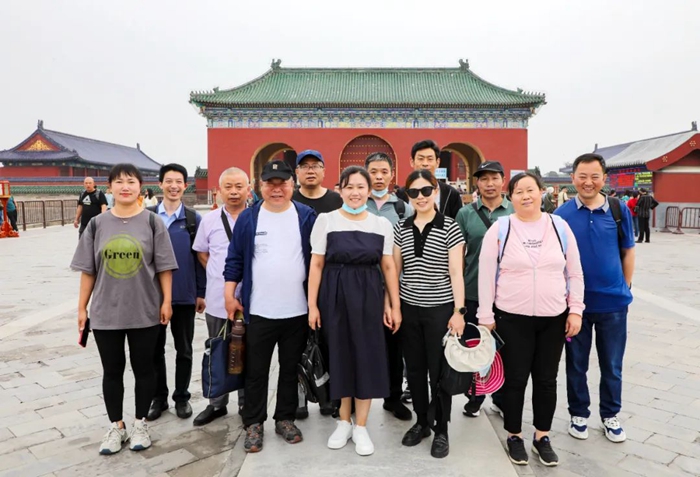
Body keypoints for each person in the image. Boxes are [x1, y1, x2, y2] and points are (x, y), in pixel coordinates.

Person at [70, 163, 178, 455]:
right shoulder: (97, 225)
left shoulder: (152, 222)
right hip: (106, 312)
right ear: (110, 188)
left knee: (144, 369)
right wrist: (82, 308)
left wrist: (166, 301)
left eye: (131, 181)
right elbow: (88, 270)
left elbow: (165, 267)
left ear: (140, 187)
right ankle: (116, 426)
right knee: (112, 371)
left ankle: (141, 423)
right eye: (119, 182)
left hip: (145, 309)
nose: (125, 186)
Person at [478, 172, 584, 467]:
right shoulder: (501, 229)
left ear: (541, 192)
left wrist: (576, 309)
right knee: (514, 380)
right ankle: (514, 435)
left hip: (553, 317)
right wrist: (486, 315)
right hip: (512, 317)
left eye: (530, 190)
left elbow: (574, 272)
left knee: (547, 380)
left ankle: (542, 436)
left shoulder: (559, 227)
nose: (525, 196)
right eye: (519, 191)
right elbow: (485, 275)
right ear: (510, 197)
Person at [308, 166, 402, 456]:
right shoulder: (327, 220)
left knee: (366, 356)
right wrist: (312, 305)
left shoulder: (380, 224)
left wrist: (394, 305)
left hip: (369, 295)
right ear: (340, 189)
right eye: (349, 187)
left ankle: (361, 425)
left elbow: (388, 266)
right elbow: (317, 264)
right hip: (334, 294)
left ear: (369, 190)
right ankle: (343, 421)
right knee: (340, 355)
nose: (355, 192)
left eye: (361, 187)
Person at [223, 160, 316, 453]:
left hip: (297, 311)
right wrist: (229, 295)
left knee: (290, 369)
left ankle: (285, 418)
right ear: (260, 186)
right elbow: (234, 259)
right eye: (270, 183)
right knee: (255, 370)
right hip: (259, 311)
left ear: (292, 185)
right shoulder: (249, 218)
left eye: (282, 183)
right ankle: (254, 422)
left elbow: (317, 259)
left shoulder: (305, 216)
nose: (276, 189)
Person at [556, 153, 635, 445]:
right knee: (576, 364)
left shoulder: (618, 209)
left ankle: (610, 415)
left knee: (612, 364)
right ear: (573, 178)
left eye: (594, 176)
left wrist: (625, 286)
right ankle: (578, 414)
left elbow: (628, 249)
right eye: (582, 176)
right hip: (575, 307)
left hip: (613, 305)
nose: (588, 182)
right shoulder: (561, 215)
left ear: (604, 178)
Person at [393, 169, 465, 459]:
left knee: (439, 372)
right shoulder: (401, 227)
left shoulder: (450, 226)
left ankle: (441, 428)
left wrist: (459, 311)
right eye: (414, 192)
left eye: (426, 191)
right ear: (407, 196)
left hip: (440, 310)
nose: (420, 197)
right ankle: (422, 421)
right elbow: (395, 271)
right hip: (409, 308)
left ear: (436, 191)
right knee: (414, 369)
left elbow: (456, 272)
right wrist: (393, 306)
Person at [147, 164, 206, 422]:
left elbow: (200, 258)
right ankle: (158, 398)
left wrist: (201, 292)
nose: (173, 186)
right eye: (168, 181)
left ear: (185, 185)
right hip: (152, 297)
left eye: (178, 181)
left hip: (184, 295)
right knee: (154, 350)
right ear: (160, 184)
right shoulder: (147, 217)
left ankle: (182, 396)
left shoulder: (193, 220)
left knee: (184, 349)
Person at [455, 161, 513, 418]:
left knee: (507, 349)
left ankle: (501, 398)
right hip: (474, 290)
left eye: (494, 178)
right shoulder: (465, 214)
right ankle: (475, 396)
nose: (489, 184)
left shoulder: (515, 210)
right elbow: (458, 255)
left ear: (503, 180)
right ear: (476, 183)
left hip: (509, 294)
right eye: (484, 179)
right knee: (475, 347)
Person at [192, 167, 250, 424]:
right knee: (217, 350)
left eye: (239, 186)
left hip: (252, 300)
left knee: (249, 352)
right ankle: (217, 403)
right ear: (219, 191)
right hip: (218, 299)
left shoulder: (258, 217)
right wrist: (218, 274)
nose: (234, 191)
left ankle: (247, 403)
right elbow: (202, 252)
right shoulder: (210, 220)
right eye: (228, 187)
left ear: (249, 189)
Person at [291, 149, 342, 419]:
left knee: (329, 341)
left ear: (324, 171)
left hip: (330, 281)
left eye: (316, 166)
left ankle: (327, 396)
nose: (310, 170)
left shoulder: (336, 200)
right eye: (305, 166)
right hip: (295, 281)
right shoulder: (289, 199)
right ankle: (300, 397)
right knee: (298, 343)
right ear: (296, 172)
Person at [364, 152, 413, 420]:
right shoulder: (356, 203)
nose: (379, 177)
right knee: (359, 343)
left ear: (392, 174)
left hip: (396, 287)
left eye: (384, 171)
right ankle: (350, 399)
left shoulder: (404, 208)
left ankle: (392, 398)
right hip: (362, 286)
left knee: (395, 346)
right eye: (373, 171)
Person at [395, 140, 462, 219]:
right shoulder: (400, 195)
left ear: (437, 162)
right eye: (421, 159)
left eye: (430, 159)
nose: (425, 164)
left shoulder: (451, 194)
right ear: (412, 162)